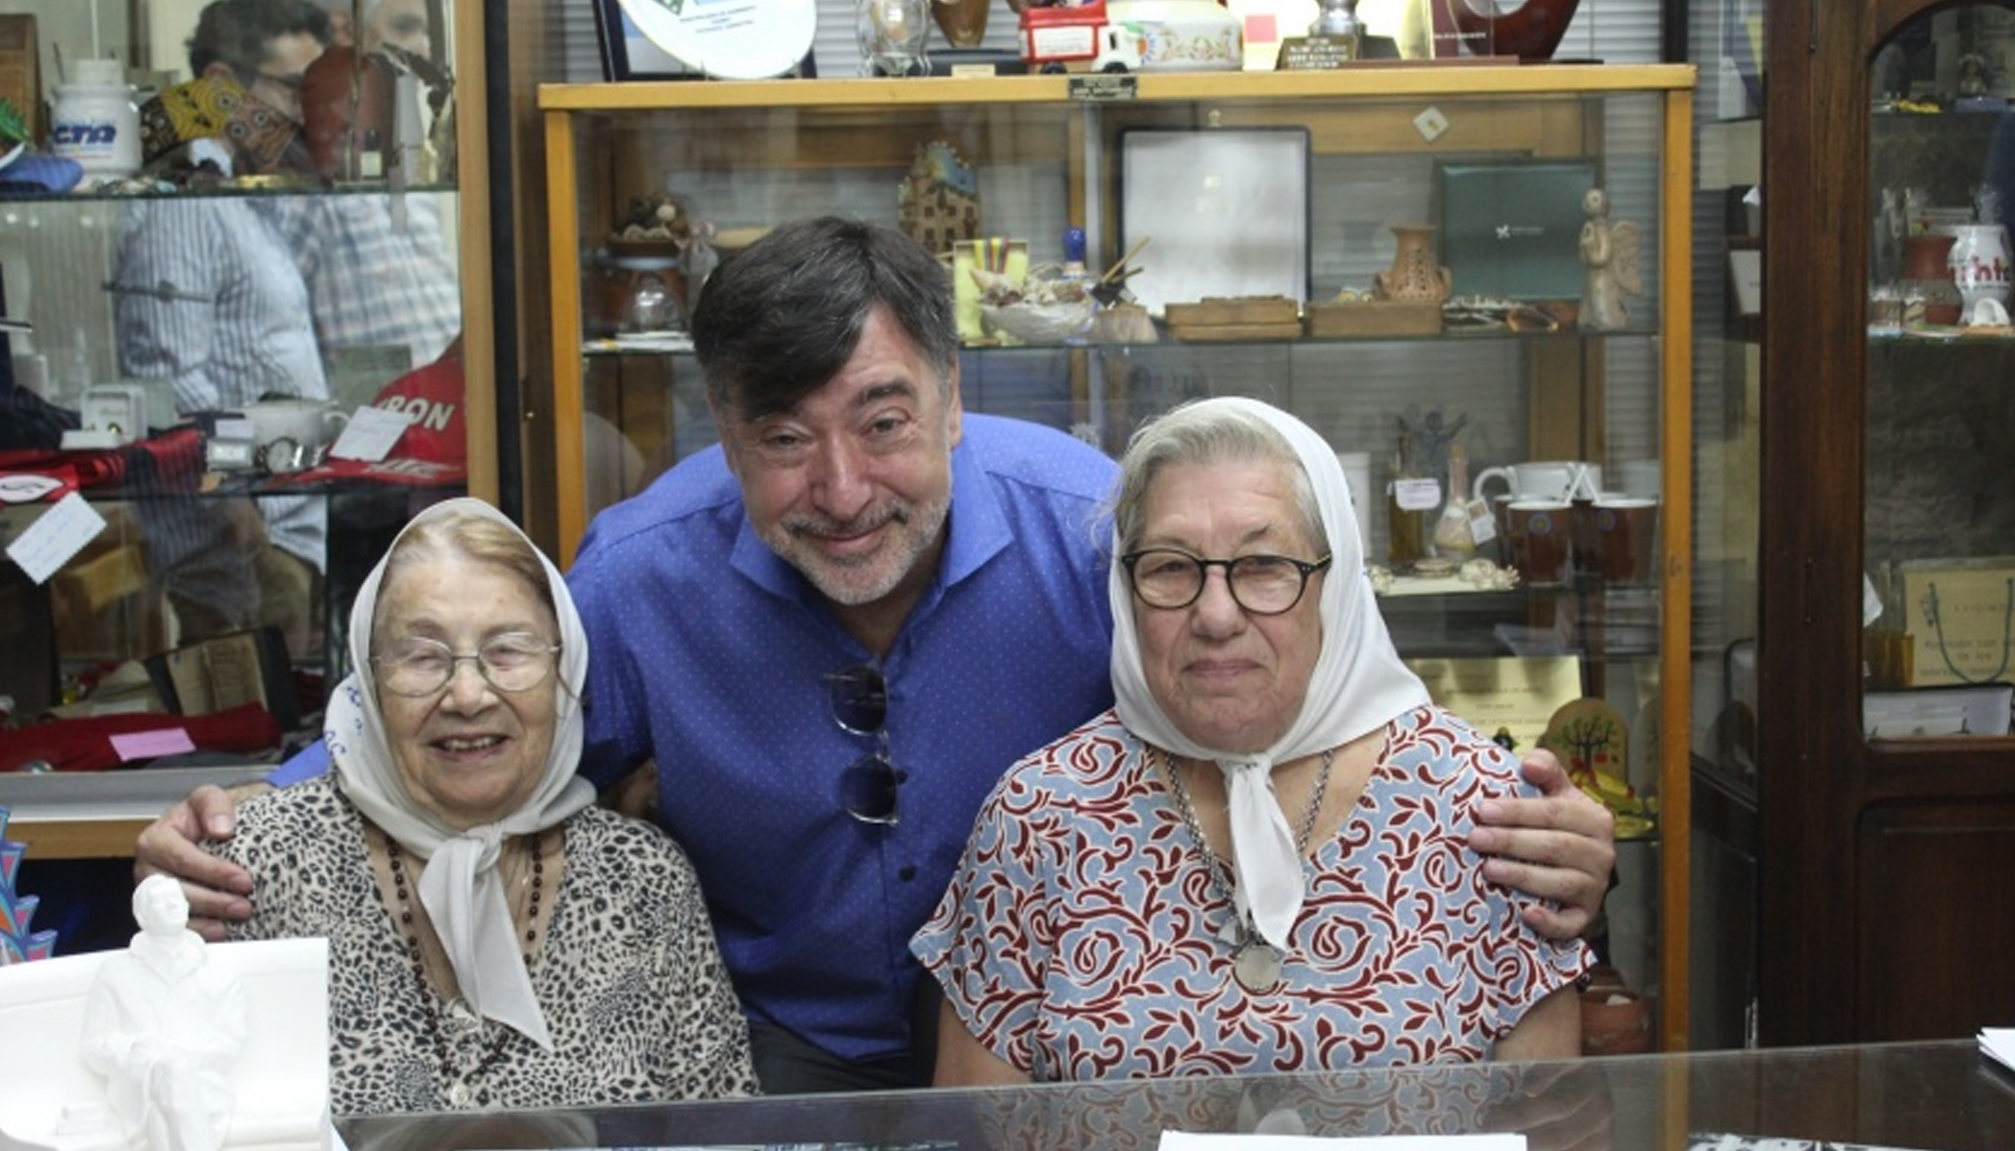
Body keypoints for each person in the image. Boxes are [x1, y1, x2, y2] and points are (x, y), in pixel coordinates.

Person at [136, 216, 1615, 1095]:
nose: (842, 489)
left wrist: (1525, 825)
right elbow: (480, 724)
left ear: (958, 395)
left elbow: (1289, 682)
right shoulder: (646, 579)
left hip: (1073, 1053)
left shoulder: (1099, 532)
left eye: (884, 419)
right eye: (782, 440)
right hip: (771, 1052)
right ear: (719, 430)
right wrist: (248, 819)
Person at [913, 396, 1587, 1082]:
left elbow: (1549, 1125)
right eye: (1170, 567)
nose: (1214, 614)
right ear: (1126, 588)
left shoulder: (1483, 808)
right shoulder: (1040, 816)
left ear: (1335, 583)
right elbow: (978, 1126)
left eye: (1263, 564)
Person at [201, 497, 757, 1113]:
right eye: (422, 656)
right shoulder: (258, 862)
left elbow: (722, 1125)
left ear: (563, 673)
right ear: (369, 679)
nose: (467, 695)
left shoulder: (643, 878)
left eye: (508, 651)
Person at [112, 0, 336, 653]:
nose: (302, 110)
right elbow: (169, 376)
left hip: (287, 523)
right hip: (241, 545)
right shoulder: (184, 202)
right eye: (291, 87)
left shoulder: (243, 190)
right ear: (218, 86)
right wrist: (232, 506)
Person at [80, 876, 248, 1151]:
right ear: (141, 914)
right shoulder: (115, 972)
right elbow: (93, 1045)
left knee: (165, 1099)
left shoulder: (218, 972)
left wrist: (175, 1056)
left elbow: (230, 1040)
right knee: (161, 1088)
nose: (172, 905)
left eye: (176, 898)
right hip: (136, 1084)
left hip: (203, 1085)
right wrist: (137, 1052)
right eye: (160, 900)